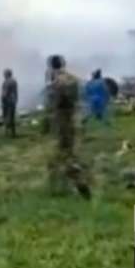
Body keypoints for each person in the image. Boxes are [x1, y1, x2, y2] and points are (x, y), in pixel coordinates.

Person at [47, 55, 90, 199]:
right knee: (70, 150)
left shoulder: (57, 82)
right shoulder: (73, 78)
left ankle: (78, 183)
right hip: (75, 117)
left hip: (63, 120)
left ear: (51, 66)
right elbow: (79, 97)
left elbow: (55, 103)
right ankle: (72, 181)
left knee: (65, 153)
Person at [1, 68, 18, 137]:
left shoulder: (6, 82)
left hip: (7, 101)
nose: (3, 75)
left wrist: (2, 100)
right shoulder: (14, 81)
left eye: (4, 74)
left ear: (7, 74)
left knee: (6, 116)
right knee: (12, 117)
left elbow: (5, 93)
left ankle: (7, 132)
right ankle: (13, 133)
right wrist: (16, 100)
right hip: (13, 101)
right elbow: (15, 92)